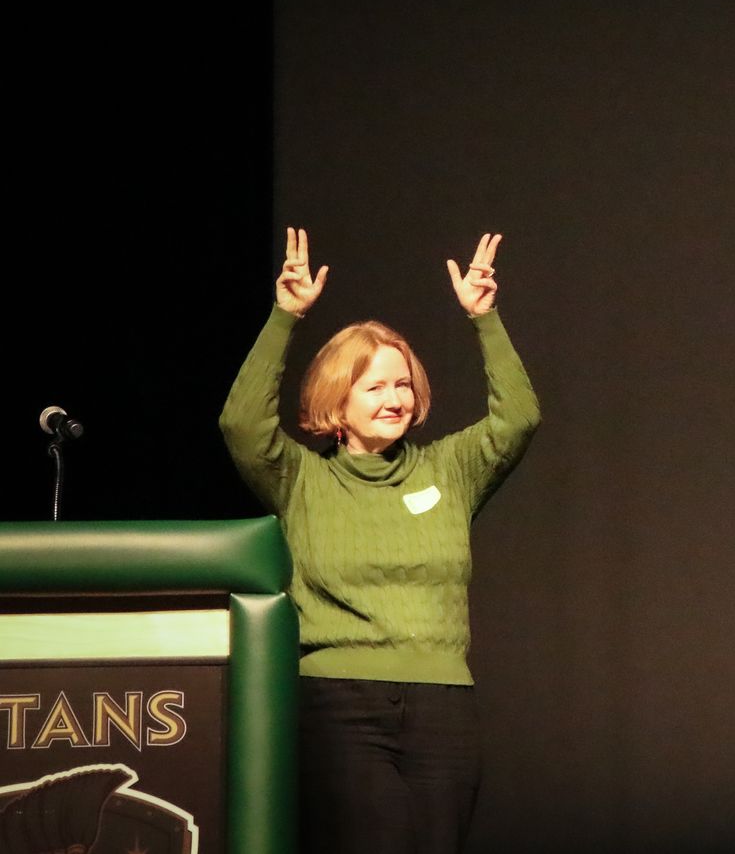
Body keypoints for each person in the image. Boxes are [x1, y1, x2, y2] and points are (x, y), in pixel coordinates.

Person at [219, 228, 540, 853]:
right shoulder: (301, 479)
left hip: (444, 704)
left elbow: (519, 417)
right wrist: (286, 317)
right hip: (338, 705)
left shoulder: (449, 469)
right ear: (338, 398)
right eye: (376, 387)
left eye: (404, 384)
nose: (396, 398)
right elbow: (241, 423)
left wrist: (485, 319)